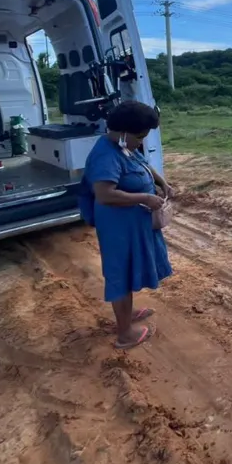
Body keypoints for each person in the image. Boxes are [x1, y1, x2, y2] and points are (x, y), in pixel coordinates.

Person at [80, 100, 173, 349]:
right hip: (118, 226)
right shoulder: (105, 155)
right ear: (123, 132)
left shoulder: (124, 146)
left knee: (130, 268)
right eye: (140, 136)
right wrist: (145, 197)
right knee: (120, 273)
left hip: (133, 223)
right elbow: (104, 194)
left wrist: (162, 183)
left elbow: (141, 164)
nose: (141, 141)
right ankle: (125, 334)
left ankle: (126, 314)